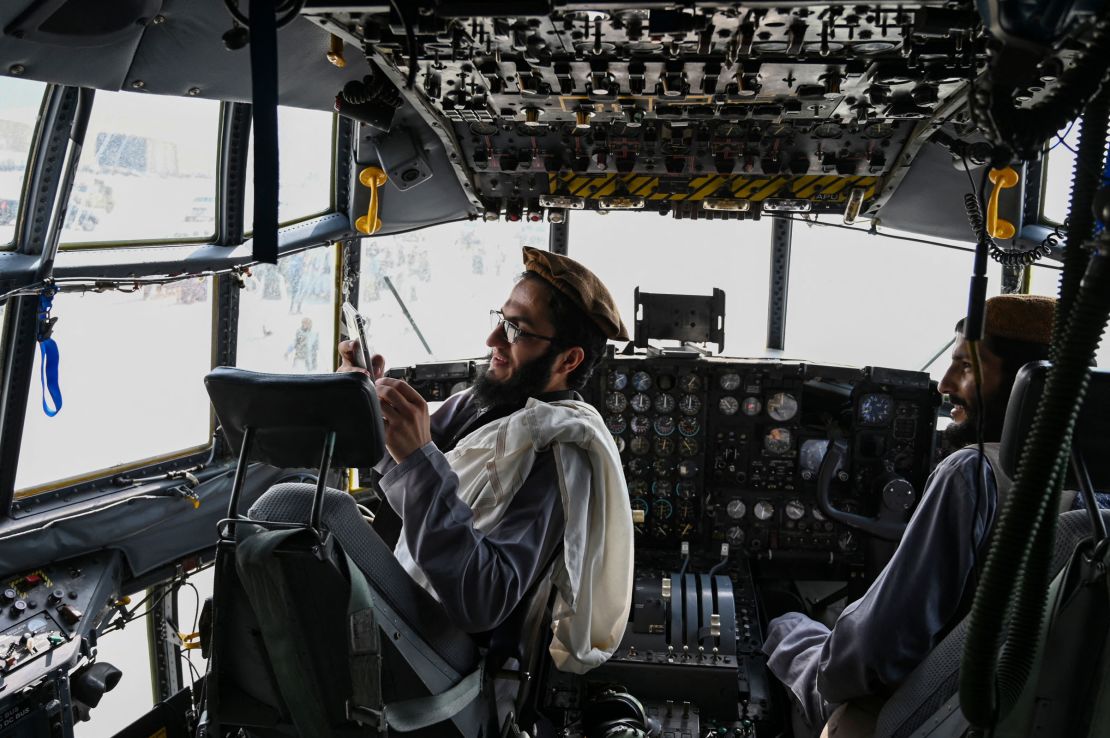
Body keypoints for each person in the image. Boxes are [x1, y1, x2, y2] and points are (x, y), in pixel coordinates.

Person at [763, 294, 1057, 736]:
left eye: (967, 366)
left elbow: (874, 649)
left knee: (781, 621)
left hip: (914, 716)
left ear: (1023, 384)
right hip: (1003, 714)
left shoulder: (973, 473)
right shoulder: (1093, 496)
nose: (943, 383)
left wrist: (816, 655)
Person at [338, 246, 634, 674]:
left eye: (517, 330)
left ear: (569, 359)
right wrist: (365, 400)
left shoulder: (560, 454)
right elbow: (401, 464)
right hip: (401, 601)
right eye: (501, 319)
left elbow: (484, 597)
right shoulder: (482, 402)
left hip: (443, 652)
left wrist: (419, 462)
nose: (493, 340)